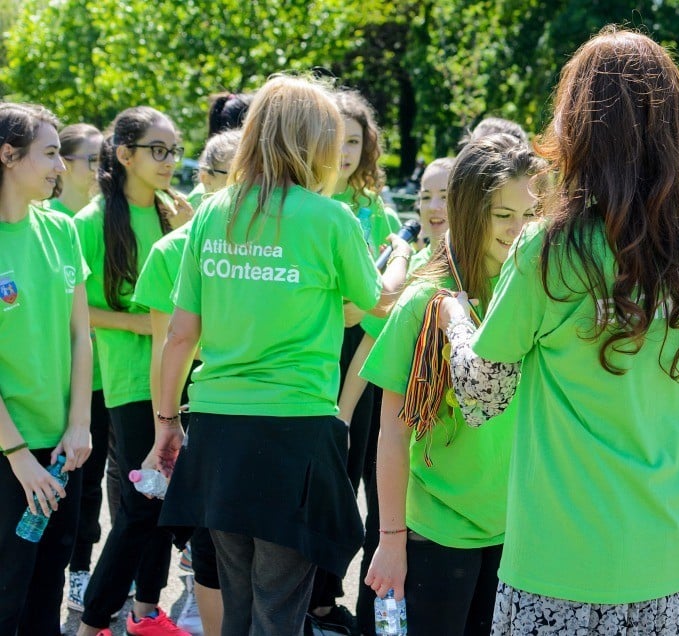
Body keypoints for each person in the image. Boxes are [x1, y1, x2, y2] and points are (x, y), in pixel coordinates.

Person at [439, 27, 679, 634]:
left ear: (579, 126)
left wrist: (455, 317)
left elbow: (481, 394)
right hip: (666, 561)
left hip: (556, 566)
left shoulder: (549, 249)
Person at [143, 74, 409, 636]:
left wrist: (166, 422)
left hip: (216, 430)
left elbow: (179, 335)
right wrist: (402, 253)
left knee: (235, 602)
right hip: (293, 433)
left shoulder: (214, 214)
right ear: (317, 143)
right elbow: (380, 301)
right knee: (279, 610)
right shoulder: (329, 218)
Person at [362, 134, 545, 633]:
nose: (519, 229)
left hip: (520, 533)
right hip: (436, 532)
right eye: (503, 214)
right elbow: (394, 432)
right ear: (467, 211)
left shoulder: (541, 290)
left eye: (530, 214)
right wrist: (391, 540)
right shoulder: (425, 301)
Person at [74, 106, 191, 636]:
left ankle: (148, 612)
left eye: (175, 151)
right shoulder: (90, 222)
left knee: (165, 503)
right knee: (145, 503)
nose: (169, 161)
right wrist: (147, 325)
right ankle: (96, 617)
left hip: (183, 374)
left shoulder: (177, 213)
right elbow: (74, 308)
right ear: (124, 155)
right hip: (128, 381)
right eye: (158, 150)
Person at [130, 128, 242, 636]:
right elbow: (166, 346)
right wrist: (165, 423)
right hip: (194, 407)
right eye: (230, 177)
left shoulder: (268, 246)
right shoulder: (174, 249)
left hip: (243, 410)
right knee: (196, 533)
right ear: (205, 180)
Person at [308, 87, 406, 635]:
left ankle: (353, 604)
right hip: (317, 353)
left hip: (369, 356)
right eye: (334, 139)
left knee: (369, 477)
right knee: (327, 480)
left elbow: (369, 310)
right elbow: (349, 303)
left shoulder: (377, 212)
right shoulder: (309, 206)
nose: (344, 151)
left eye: (354, 140)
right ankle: (314, 597)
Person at [0, 103, 92, 635]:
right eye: (51, 153)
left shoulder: (61, 230)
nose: (62, 166)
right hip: (10, 454)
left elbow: (82, 334)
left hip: (62, 453)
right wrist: (17, 457)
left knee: (45, 595)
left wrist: (79, 424)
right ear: (8, 156)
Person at [39, 122, 121, 615]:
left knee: (88, 486)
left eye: (102, 160)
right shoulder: (41, 217)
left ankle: (80, 572)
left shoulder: (99, 218)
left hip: (99, 373)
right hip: (51, 381)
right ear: (64, 162)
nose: (99, 169)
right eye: (91, 159)